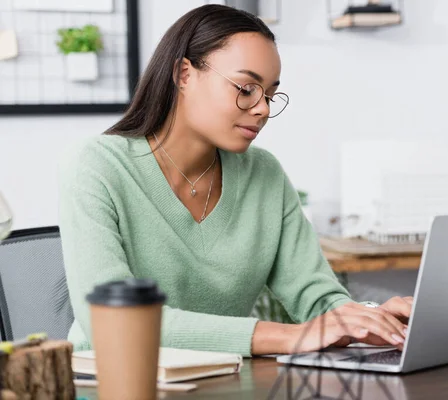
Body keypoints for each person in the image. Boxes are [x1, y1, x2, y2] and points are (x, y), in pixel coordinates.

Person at [58, 4, 412, 357]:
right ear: (184, 74)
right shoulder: (98, 166)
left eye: (270, 95)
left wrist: (371, 319)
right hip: (108, 382)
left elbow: (315, 297)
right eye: (246, 88)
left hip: (220, 383)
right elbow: (111, 319)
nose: (263, 109)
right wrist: (288, 337)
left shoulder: (264, 174)